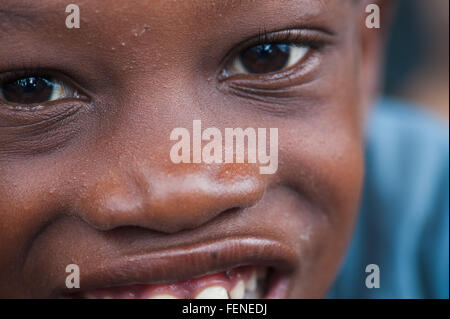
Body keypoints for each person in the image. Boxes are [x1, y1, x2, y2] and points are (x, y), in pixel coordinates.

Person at [0, 0, 447, 298]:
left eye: (269, 55)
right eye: (29, 90)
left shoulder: (430, 221)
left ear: (364, 52)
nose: (179, 196)